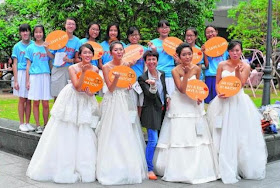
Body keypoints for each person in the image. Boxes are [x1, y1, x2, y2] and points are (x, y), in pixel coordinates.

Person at [26, 43, 100, 183]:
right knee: (68, 127)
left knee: (84, 128)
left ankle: (84, 165)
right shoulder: (73, 67)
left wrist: (91, 93)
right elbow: (77, 86)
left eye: (89, 53)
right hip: (72, 98)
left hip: (85, 99)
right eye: (84, 53)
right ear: (80, 54)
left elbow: (94, 87)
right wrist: (83, 72)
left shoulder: (95, 68)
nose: (87, 55)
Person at [153, 43, 219, 184]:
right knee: (180, 134)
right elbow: (182, 89)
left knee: (196, 134)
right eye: (184, 54)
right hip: (180, 103)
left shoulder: (197, 68)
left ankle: (198, 168)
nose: (187, 57)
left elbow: (198, 85)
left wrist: (199, 96)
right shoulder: (175, 71)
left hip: (193, 103)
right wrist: (188, 74)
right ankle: (178, 169)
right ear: (178, 57)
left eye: (189, 54)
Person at [207, 40, 267, 184]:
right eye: (232, 50)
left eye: (237, 50)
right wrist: (220, 92)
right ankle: (219, 164)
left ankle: (239, 164)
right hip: (223, 100)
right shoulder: (221, 65)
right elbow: (217, 83)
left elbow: (240, 83)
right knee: (220, 131)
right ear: (228, 51)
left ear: (241, 51)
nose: (235, 53)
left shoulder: (245, 66)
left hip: (237, 100)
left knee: (239, 133)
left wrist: (236, 72)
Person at [96, 41, 147, 185]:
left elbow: (128, 80)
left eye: (121, 50)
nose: (119, 52)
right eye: (116, 50)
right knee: (112, 128)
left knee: (126, 128)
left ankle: (128, 163)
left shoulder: (126, 65)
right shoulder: (106, 67)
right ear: (111, 52)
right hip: (112, 99)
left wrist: (128, 85)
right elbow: (110, 88)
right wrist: (117, 78)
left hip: (125, 98)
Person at [138, 50, 170, 180]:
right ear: (145, 62)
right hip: (150, 110)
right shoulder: (142, 78)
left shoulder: (161, 74)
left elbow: (165, 90)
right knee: (153, 140)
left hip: (162, 109)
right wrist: (152, 86)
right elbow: (149, 96)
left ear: (157, 61)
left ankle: (158, 165)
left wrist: (167, 97)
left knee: (162, 139)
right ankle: (149, 168)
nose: (151, 62)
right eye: (149, 60)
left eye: (153, 59)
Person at [25, 25, 53, 133]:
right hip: (34, 77)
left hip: (45, 76)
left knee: (45, 103)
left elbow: (52, 57)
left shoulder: (48, 45)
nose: (38, 34)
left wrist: (46, 48)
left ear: (43, 33)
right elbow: (28, 65)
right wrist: (27, 81)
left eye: (40, 32)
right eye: (36, 32)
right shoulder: (30, 48)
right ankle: (38, 125)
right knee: (35, 102)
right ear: (34, 34)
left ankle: (46, 125)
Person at [50, 17, 81, 100]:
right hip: (57, 68)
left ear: (75, 27)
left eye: (73, 24)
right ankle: (56, 113)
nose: (71, 26)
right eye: (69, 24)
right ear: (65, 25)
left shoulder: (77, 41)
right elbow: (51, 55)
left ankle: (67, 113)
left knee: (69, 95)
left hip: (70, 69)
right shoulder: (58, 38)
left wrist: (70, 60)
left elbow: (77, 59)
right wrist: (46, 48)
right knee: (57, 94)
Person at [12, 23, 34, 132]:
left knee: (29, 99)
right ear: (20, 33)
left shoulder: (34, 44)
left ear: (30, 32)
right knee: (22, 99)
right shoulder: (17, 46)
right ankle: (21, 123)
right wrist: (15, 80)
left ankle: (27, 122)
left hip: (31, 73)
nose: (25, 33)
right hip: (21, 73)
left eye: (27, 31)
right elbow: (14, 64)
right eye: (23, 31)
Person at [201, 25, 229, 104]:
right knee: (210, 101)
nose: (210, 34)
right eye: (207, 32)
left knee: (222, 99)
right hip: (211, 75)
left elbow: (228, 59)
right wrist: (205, 52)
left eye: (212, 31)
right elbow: (206, 65)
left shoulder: (224, 45)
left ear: (216, 32)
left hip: (222, 76)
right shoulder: (205, 47)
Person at [149, 20, 176, 95]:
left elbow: (178, 60)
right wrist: (154, 50)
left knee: (170, 99)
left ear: (169, 29)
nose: (164, 29)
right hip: (156, 74)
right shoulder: (152, 43)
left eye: (166, 27)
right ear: (158, 29)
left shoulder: (174, 42)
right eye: (162, 27)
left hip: (170, 74)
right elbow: (148, 60)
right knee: (158, 99)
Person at [126, 26, 146, 115]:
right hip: (130, 79)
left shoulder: (144, 49)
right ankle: (132, 124)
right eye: (132, 35)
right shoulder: (124, 49)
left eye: (136, 35)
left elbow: (147, 64)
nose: (134, 37)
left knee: (141, 103)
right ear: (128, 37)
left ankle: (139, 122)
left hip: (141, 79)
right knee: (131, 103)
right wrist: (130, 64)